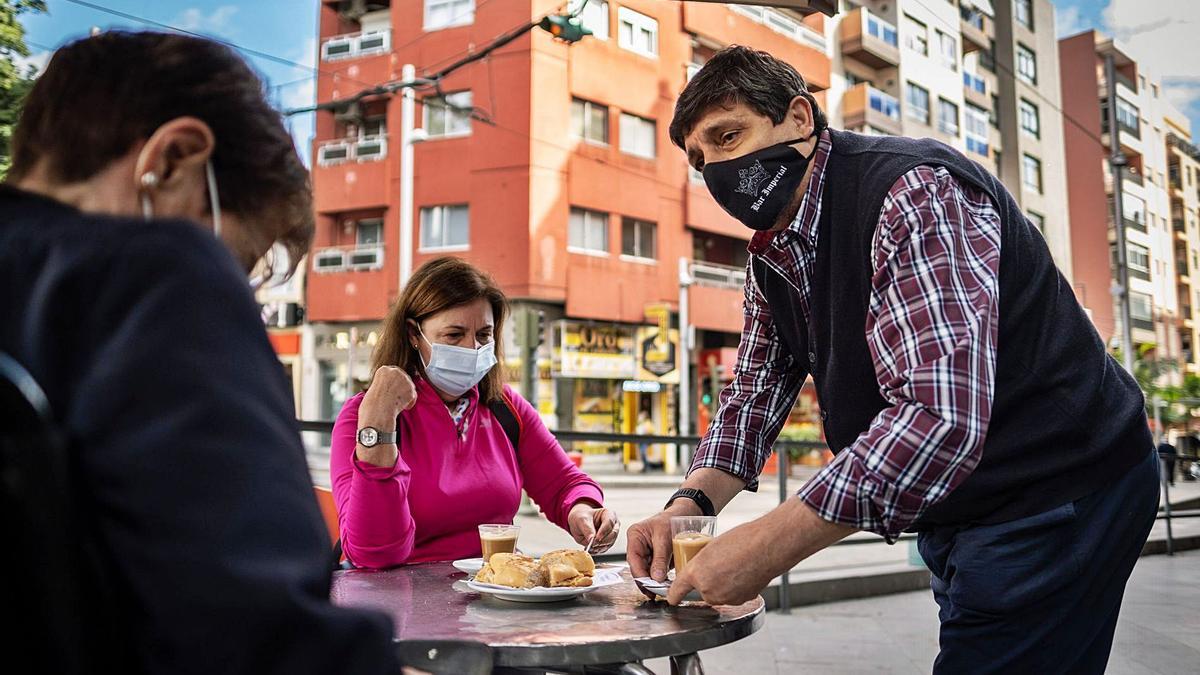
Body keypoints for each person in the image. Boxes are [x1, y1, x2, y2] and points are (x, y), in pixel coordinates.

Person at [626, 46, 1158, 673]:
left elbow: (938, 416)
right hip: (964, 504)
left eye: (729, 135)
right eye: (701, 159)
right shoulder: (772, 252)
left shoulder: (912, 191)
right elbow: (754, 392)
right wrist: (690, 505)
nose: (718, 169)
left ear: (800, 117)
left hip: (1059, 484)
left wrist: (769, 544)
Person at [1, 31, 401, 673]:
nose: (239, 293)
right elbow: (264, 639)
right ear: (173, 158)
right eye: (240, 261)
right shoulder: (155, 275)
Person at [331, 257, 619, 568]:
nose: (473, 349)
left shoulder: (504, 406)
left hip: (495, 595)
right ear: (414, 334)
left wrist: (583, 509)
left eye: (483, 335)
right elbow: (373, 553)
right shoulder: (365, 416)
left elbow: (563, 482)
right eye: (454, 336)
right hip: (405, 603)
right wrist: (378, 423)